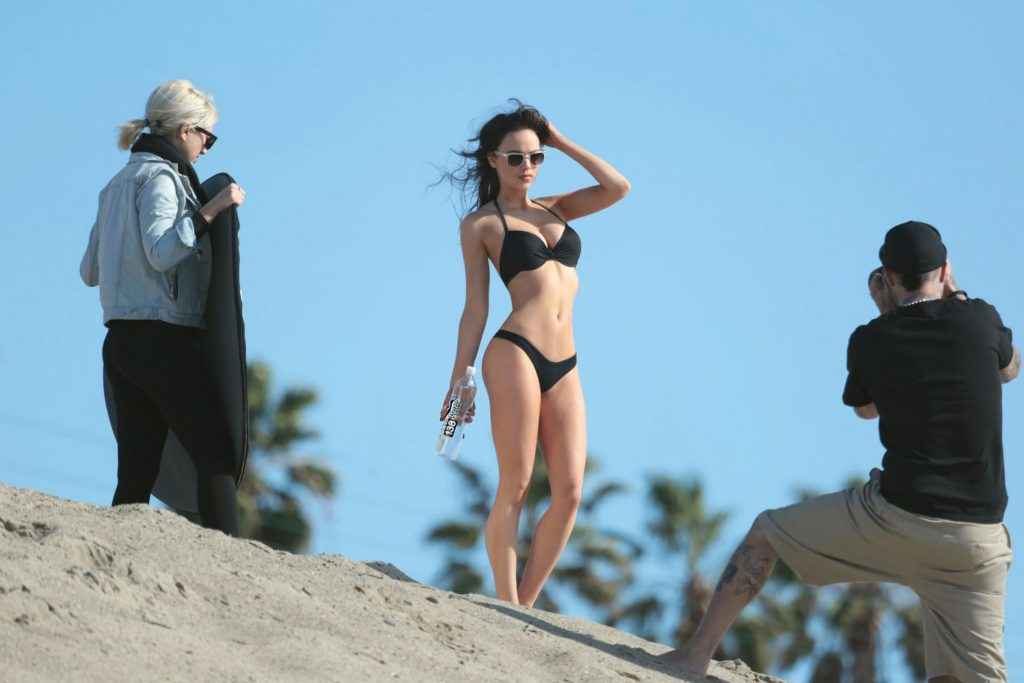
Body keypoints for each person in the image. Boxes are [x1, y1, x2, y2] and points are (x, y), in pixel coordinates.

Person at [659, 221, 1019, 682]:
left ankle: (694, 659)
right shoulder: (980, 318)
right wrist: (959, 298)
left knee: (765, 534)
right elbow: (1010, 369)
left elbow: (866, 410)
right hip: (976, 541)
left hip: (896, 518)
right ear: (945, 270)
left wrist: (887, 315)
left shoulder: (872, 337)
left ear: (888, 277)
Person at [441, 102, 630, 605]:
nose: (527, 166)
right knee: (517, 481)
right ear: (492, 160)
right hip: (515, 352)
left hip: (566, 364)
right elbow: (475, 308)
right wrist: (460, 378)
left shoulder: (558, 207)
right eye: (516, 158)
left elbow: (618, 187)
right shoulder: (481, 224)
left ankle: (526, 607)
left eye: (536, 157)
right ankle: (506, 603)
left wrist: (560, 140)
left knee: (570, 493)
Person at [80, 80, 246, 535]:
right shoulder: (161, 179)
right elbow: (161, 252)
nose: (207, 147)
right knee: (215, 453)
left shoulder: (114, 185)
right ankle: (230, 555)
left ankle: (115, 550)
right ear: (184, 130)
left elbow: (89, 271)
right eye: (207, 136)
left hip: (119, 343)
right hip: (162, 340)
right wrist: (210, 211)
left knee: (137, 467)